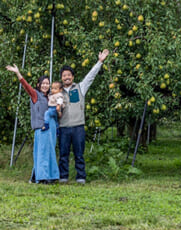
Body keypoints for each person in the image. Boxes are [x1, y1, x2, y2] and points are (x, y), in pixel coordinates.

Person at [59, 49, 109, 184]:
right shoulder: (58, 92)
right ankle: (63, 176)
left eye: (69, 75)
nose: (67, 77)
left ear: (73, 77)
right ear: (61, 78)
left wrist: (100, 62)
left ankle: (80, 177)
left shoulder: (80, 88)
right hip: (63, 127)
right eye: (64, 76)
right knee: (63, 154)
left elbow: (90, 76)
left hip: (78, 127)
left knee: (79, 154)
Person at [6, 65, 59, 184]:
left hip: (51, 128)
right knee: (41, 153)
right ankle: (43, 177)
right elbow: (26, 86)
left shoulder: (51, 97)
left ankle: (46, 176)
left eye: (47, 83)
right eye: (43, 83)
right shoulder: (35, 95)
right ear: (39, 85)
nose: (45, 85)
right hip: (41, 128)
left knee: (50, 152)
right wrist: (18, 73)